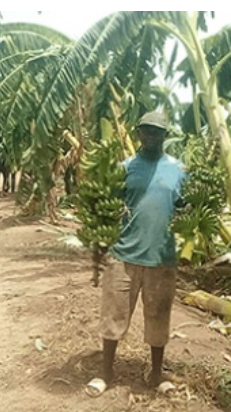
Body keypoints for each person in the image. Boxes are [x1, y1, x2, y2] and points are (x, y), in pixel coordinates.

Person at [86, 112, 187, 397]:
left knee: (158, 318)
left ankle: (156, 375)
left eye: (157, 132)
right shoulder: (124, 168)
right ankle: (106, 373)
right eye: (146, 131)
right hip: (124, 255)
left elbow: (184, 206)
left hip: (162, 257)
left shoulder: (179, 170)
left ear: (165, 136)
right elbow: (106, 208)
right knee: (113, 317)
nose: (151, 136)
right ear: (138, 134)